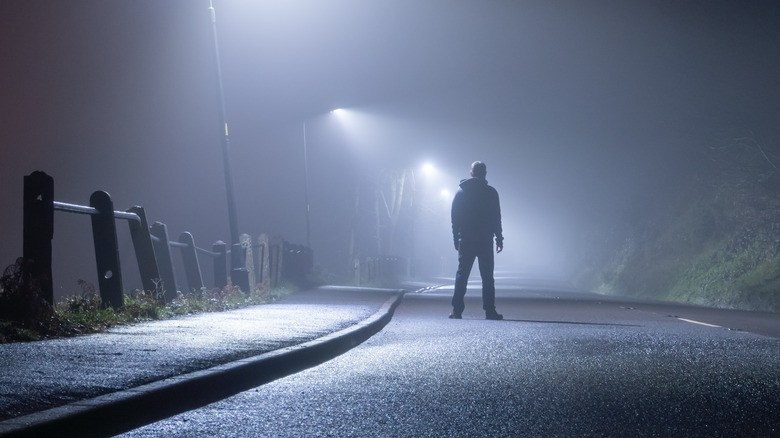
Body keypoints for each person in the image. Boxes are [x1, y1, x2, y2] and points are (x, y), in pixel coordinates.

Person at [450, 161, 504, 320]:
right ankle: (490, 310)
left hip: (466, 239)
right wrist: (499, 239)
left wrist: (456, 239)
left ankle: (457, 310)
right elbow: (496, 218)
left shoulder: (461, 192)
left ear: (471, 173)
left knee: (462, 275)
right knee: (487, 277)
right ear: (485, 174)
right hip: (485, 239)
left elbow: (455, 219)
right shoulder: (491, 192)